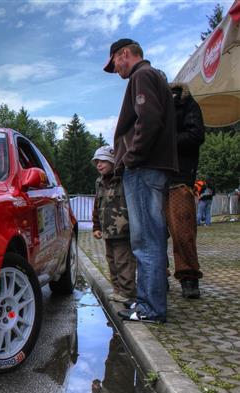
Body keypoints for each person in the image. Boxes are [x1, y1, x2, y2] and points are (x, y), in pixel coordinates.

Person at [104, 38, 178, 323]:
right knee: (149, 238)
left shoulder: (142, 75)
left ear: (124, 54)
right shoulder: (152, 76)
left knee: (146, 240)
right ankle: (148, 302)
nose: (116, 70)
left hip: (144, 168)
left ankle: (150, 307)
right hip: (151, 167)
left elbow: (149, 120)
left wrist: (131, 158)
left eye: (114, 64)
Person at [166, 82, 205, 298]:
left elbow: (196, 135)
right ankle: (159, 276)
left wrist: (166, 141)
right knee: (154, 234)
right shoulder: (153, 107)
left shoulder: (186, 104)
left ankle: (188, 277)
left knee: (183, 231)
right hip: (154, 179)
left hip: (179, 177)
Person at [91, 146, 137, 304]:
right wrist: (96, 226)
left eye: (103, 161)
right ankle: (117, 289)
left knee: (123, 261)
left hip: (123, 230)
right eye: (97, 161)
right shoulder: (99, 182)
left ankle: (128, 292)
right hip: (107, 231)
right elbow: (97, 205)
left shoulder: (122, 179)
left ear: (113, 161)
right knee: (111, 260)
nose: (99, 164)